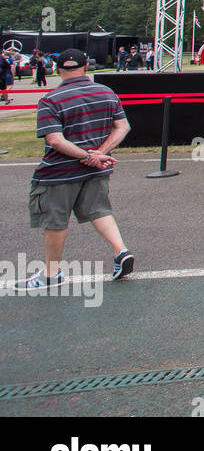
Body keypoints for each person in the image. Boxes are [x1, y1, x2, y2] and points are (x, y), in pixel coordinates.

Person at [17, 49, 135, 291]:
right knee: (99, 210)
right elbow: (122, 126)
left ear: (58, 70)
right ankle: (120, 250)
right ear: (86, 68)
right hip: (97, 169)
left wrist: (87, 156)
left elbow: (55, 141)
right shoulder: (106, 92)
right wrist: (99, 154)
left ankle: (51, 273)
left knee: (55, 220)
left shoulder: (51, 99)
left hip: (58, 173)